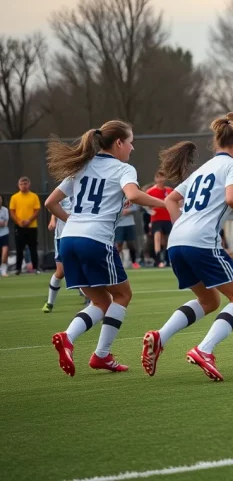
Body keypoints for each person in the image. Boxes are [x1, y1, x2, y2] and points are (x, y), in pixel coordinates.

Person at [141, 112, 233, 381]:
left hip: (177, 242)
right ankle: (204, 350)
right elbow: (232, 198)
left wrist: (183, 228)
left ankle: (161, 336)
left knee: (209, 300)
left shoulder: (201, 170)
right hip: (199, 242)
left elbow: (172, 200)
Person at [45, 121, 166, 377]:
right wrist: (164, 203)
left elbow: (50, 202)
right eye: (130, 142)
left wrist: (76, 223)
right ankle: (100, 354)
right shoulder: (124, 169)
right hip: (95, 241)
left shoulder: (80, 166)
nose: (132, 148)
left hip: (69, 240)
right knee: (122, 295)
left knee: (100, 301)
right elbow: (133, 196)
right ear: (119, 143)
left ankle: (71, 339)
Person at [42, 194, 75, 313]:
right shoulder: (65, 189)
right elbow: (53, 204)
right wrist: (52, 220)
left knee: (83, 266)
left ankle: (90, 298)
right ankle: (50, 302)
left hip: (81, 235)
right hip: (62, 236)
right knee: (60, 272)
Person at [9, 176, 41, 275]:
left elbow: (37, 210)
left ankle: (35, 268)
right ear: (18, 185)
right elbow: (12, 211)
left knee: (33, 248)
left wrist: (29, 220)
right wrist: (19, 221)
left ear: (29, 184)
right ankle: (18, 269)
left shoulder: (34, 196)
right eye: (21, 184)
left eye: (25, 184)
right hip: (19, 227)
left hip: (32, 226)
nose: (23, 186)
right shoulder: (14, 197)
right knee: (19, 248)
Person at [146, 171, 173, 268]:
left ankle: (167, 259)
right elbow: (145, 205)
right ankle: (158, 260)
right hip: (156, 219)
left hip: (167, 218)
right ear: (155, 179)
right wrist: (150, 211)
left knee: (166, 240)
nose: (160, 180)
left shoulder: (169, 191)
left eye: (162, 177)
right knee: (157, 237)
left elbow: (175, 202)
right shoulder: (150, 191)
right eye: (158, 177)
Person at [115, 200, 140, 270]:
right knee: (118, 244)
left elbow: (137, 206)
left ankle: (134, 262)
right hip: (118, 224)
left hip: (130, 223)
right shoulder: (114, 196)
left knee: (131, 244)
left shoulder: (129, 196)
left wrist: (129, 210)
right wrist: (120, 211)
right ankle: (116, 263)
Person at [0, 195, 8, 277]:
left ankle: (4, 269)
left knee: (5, 252)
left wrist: (2, 223)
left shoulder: (5, 210)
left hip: (4, 233)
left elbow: (5, 223)